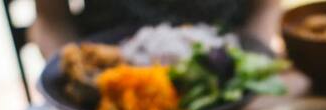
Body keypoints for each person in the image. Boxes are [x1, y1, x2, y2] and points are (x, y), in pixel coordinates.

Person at [29, 0, 281, 58]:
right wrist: (74, 69)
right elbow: (51, 20)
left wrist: (249, 63)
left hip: (224, 64)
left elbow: (266, 7)